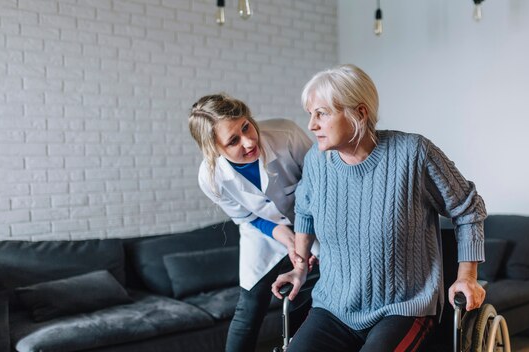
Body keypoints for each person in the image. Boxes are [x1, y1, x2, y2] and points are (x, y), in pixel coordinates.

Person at [271, 64, 487, 352]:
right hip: (334, 307)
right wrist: (299, 268)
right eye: (311, 114)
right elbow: (306, 211)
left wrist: (467, 278)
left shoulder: (414, 154)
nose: (312, 125)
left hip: (404, 307)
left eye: (322, 113)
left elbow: (468, 208)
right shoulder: (315, 162)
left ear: (359, 113)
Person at [188, 93, 314, 352]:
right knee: (249, 305)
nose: (248, 141)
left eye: (246, 126)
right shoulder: (211, 177)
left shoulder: (285, 133)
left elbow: (319, 186)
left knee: (304, 296)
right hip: (262, 233)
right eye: (233, 140)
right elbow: (249, 217)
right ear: (214, 149)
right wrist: (289, 240)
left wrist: (302, 241)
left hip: (315, 224)